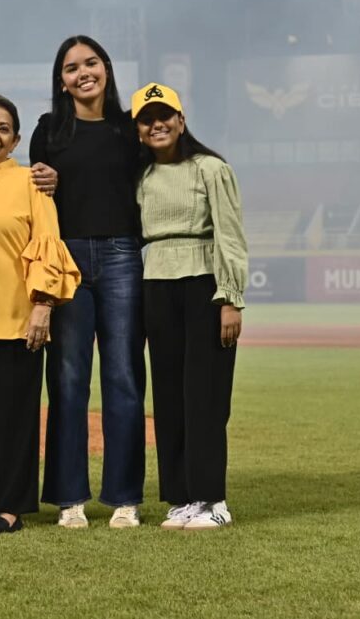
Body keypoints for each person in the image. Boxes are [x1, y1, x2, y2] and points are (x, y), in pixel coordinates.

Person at [29, 35, 147, 529]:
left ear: (106, 68)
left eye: (91, 63)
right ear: (61, 80)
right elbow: (38, 201)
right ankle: (69, 498)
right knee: (68, 380)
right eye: (72, 67)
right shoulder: (48, 129)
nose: (83, 73)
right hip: (68, 258)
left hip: (122, 256)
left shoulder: (130, 128)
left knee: (124, 377)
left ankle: (125, 498)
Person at [0, 94, 80, 535]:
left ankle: (10, 506)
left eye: (3, 129)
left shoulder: (31, 183)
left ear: (16, 140)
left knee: (15, 418)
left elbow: (48, 243)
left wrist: (43, 305)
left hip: (17, 318)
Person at [132, 82, 247, 530]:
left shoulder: (210, 169)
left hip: (204, 284)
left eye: (165, 116)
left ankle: (212, 499)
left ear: (181, 120)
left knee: (205, 394)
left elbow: (230, 235)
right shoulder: (142, 177)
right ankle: (181, 497)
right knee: (169, 396)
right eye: (146, 119)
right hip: (156, 284)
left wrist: (230, 298)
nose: (156, 125)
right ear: (138, 130)